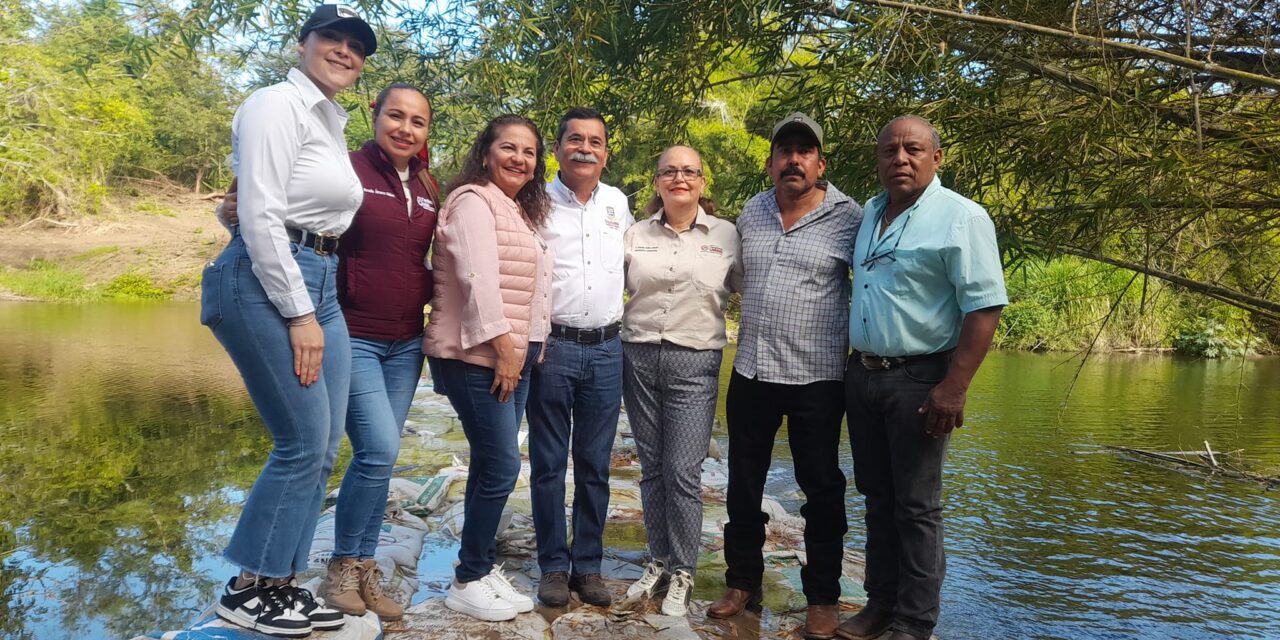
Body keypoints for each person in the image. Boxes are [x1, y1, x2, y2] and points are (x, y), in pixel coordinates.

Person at [220, 82, 439, 623]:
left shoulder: (431, 184)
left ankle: (360, 568)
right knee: (376, 448)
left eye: (417, 121)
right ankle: (338, 568)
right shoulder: (345, 172)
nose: (405, 129)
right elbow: (262, 205)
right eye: (395, 116)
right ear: (375, 115)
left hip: (407, 340)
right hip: (351, 331)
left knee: (376, 460)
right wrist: (233, 209)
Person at [199, 5, 376, 637]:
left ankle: (281, 585)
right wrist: (300, 312)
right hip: (272, 282)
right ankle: (247, 587)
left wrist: (313, 301)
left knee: (325, 444)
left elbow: (266, 202)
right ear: (303, 43)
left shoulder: (326, 120)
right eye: (333, 37)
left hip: (318, 278)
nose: (345, 50)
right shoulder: (276, 104)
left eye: (357, 44)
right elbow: (263, 217)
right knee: (301, 441)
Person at [837, 115, 1006, 640]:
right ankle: (879, 605)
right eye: (890, 151)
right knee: (877, 497)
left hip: (920, 377)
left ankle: (914, 622)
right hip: (862, 376)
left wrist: (954, 387)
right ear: (879, 159)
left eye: (913, 149)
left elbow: (984, 308)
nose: (900, 159)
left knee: (916, 505)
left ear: (937, 157)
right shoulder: (870, 212)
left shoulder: (962, 217)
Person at [707, 113, 862, 640]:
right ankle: (742, 581)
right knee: (742, 485)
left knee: (822, 490)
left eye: (804, 151)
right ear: (772, 161)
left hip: (818, 377)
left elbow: (874, 287)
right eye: (784, 151)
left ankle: (822, 597)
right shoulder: (752, 210)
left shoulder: (851, 218)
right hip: (752, 368)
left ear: (821, 163)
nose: (793, 159)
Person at [424, 114, 554, 622]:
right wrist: (505, 348)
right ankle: (469, 578)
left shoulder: (514, 208)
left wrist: (521, 350)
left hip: (509, 354)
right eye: (509, 148)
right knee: (501, 465)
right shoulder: (474, 201)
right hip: (479, 355)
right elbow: (476, 277)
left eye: (529, 151)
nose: (520, 158)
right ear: (485, 152)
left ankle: (476, 565)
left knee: (488, 462)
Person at [620, 146, 743, 616]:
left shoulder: (727, 236)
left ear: (702, 181)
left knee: (683, 472)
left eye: (689, 171)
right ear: (656, 182)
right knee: (651, 468)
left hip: (696, 362)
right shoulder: (635, 234)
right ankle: (657, 561)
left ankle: (684, 570)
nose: (679, 178)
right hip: (640, 356)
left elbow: (755, 289)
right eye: (669, 171)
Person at [528, 107, 631, 608]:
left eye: (595, 141)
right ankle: (552, 564)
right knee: (548, 464)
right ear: (558, 148)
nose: (585, 148)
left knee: (595, 464)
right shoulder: (536, 202)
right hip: (555, 347)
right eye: (575, 139)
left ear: (606, 152)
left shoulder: (618, 203)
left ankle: (587, 566)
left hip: (609, 349)